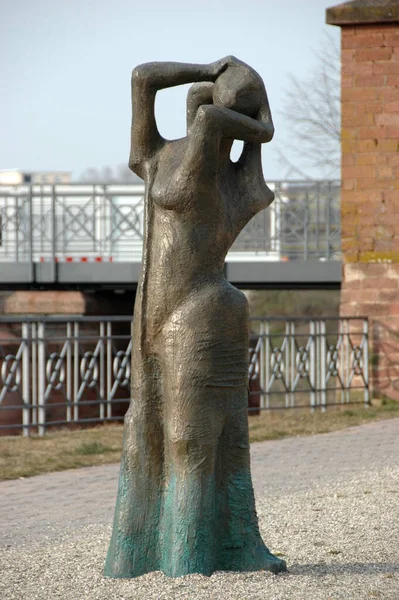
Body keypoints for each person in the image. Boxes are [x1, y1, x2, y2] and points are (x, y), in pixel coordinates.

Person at [105, 56, 286, 578]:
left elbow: (208, 122)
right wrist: (206, 68)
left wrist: (258, 124)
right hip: (151, 314)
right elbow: (141, 76)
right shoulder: (160, 155)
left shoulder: (236, 182)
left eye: (215, 97)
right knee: (144, 426)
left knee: (193, 439)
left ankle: (191, 556)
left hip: (203, 313)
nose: (202, 105)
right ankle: (136, 552)